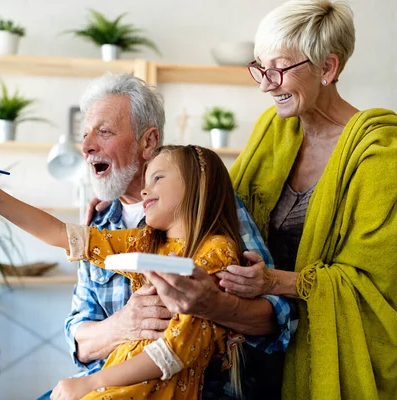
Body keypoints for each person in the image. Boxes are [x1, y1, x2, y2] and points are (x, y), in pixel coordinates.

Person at [145, 1, 397, 399]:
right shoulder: (272, 130)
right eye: (260, 68)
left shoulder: (381, 152)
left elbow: (376, 285)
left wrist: (271, 281)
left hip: (332, 355)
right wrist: (124, 205)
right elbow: (218, 204)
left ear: (328, 69)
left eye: (277, 69)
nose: (265, 84)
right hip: (262, 346)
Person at [0, 145, 246, 399]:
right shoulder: (147, 241)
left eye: (158, 178)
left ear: (198, 183)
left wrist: (87, 383)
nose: (144, 189)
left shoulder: (216, 251)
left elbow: (173, 351)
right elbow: (60, 233)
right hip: (117, 386)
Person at [66, 73, 296, 399]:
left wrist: (214, 306)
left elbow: (277, 316)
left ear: (148, 141)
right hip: (103, 386)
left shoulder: (210, 208)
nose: (87, 148)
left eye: (104, 132)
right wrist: (121, 327)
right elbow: (77, 338)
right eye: (86, 135)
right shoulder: (98, 223)